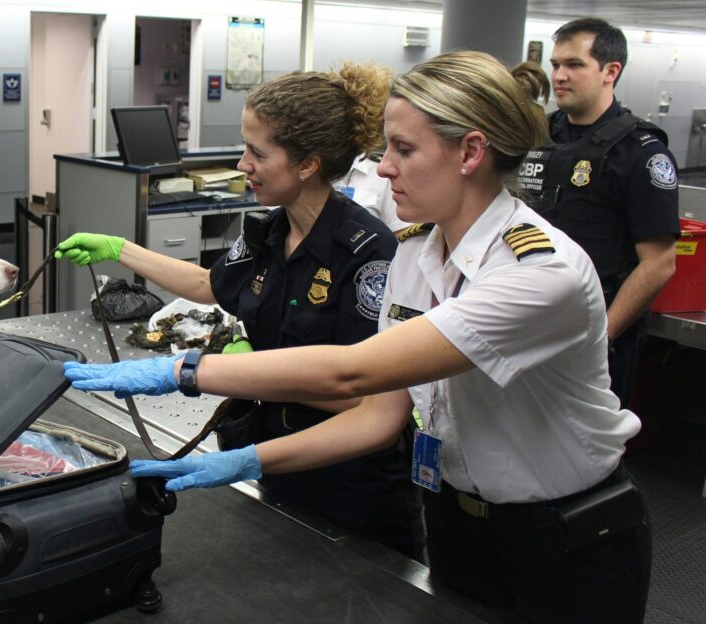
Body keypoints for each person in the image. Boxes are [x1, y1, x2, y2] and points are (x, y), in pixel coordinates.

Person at [63, 51, 651, 623]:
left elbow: (354, 372)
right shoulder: (418, 255)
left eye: (403, 148)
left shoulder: (536, 272)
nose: (383, 166)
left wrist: (183, 371)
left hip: (563, 539)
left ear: (471, 151)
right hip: (457, 524)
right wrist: (245, 461)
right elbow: (379, 415)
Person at [56, 63, 425, 561]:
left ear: (307, 164)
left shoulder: (367, 254)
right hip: (274, 458)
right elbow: (212, 285)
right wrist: (119, 248)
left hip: (348, 486)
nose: (241, 163)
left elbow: (364, 401)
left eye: (257, 152)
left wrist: (232, 372)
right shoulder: (269, 232)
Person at [517, 18, 679, 406]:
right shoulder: (535, 137)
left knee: (589, 452)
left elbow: (659, 263)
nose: (559, 76)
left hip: (596, 331)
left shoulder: (639, 152)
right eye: (556, 65)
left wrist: (602, 336)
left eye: (574, 65)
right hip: (529, 320)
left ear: (611, 71)